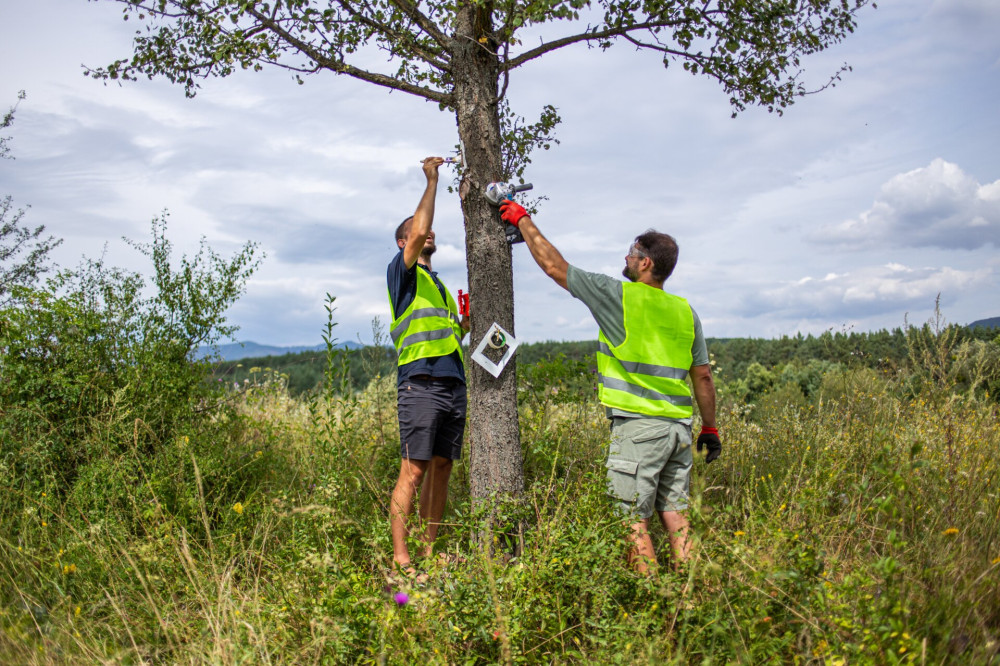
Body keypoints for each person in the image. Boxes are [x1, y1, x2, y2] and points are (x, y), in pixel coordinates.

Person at [499, 199, 721, 574]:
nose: (627, 257)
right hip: (679, 431)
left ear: (645, 263)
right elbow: (703, 377)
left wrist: (523, 220)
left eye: (632, 253)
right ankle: (695, 598)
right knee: (676, 516)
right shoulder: (686, 311)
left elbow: (555, 266)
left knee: (630, 520)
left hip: (638, 429)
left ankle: (653, 607)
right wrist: (710, 428)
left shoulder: (619, 296)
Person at [386, 156, 470, 576]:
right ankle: (401, 559)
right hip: (420, 383)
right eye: (417, 232)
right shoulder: (401, 275)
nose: (426, 232)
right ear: (405, 243)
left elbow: (448, 338)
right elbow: (420, 227)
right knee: (414, 469)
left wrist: (464, 325)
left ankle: (427, 553)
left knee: (441, 468)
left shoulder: (436, 286)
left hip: (453, 383)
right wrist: (433, 180)